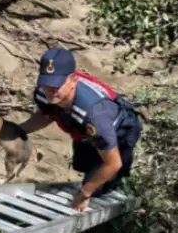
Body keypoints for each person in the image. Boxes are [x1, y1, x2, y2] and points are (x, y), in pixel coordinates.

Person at [19, 48, 143, 211]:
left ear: (73, 80)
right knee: (81, 164)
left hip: (120, 130)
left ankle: (113, 187)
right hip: (85, 130)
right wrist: (18, 130)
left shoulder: (94, 115)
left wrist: (84, 194)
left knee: (100, 184)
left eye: (57, 85)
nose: (50, 91)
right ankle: (94, 177)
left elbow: (113, 163)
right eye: (46, 84)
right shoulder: (44, 94)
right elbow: (46, 115)